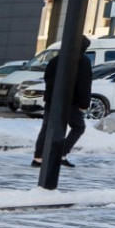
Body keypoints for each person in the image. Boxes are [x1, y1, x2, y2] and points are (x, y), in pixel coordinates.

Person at [32, 36, 92, 169]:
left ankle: (38, 157)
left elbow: (47, 79)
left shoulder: (55, 60)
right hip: (70, 101)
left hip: (52, 100)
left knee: (47, 128)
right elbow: (83, 84)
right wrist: (84, 103)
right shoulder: (82, 61)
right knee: (78, 127)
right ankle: (61, 154)